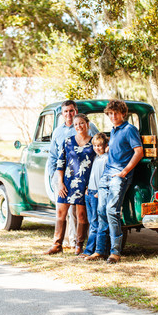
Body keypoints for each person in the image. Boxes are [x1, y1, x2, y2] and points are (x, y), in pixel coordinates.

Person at [85, 100, 144, 264]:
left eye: (115, 113)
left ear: (123, 113)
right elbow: (116, 149)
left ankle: (115, 252)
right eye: (110, 113)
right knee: (101, 211)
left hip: (119, 176)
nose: (112, 116)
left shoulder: (129, 129)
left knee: (112, 211)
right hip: (106, 175)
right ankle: (99, 251)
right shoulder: (114, 130)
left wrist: (124, 172)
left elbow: (138, 152)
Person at [46, 100, 98, 253]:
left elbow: (99, 159)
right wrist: (59, 182)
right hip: (67, 182)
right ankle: (57, 245)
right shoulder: (67, 141)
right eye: (76, 124)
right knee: (61, 212)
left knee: (81, 215)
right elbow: (59, 161)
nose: (78, 126)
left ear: (87, 124)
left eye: (81, 123)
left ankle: (79, 246)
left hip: (85, 183)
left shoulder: (93, 142)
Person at [79, 133, 108, 258]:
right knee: (92, 223)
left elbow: (105, 177)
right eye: (95, 146)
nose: (97, 148)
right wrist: (87, 189)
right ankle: (91, 250)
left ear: (105, 146)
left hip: (97, 193)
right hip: (89, 192)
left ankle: (91, 251)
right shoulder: (96, 158)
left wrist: (99, 192)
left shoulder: (106, 159)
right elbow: (93, 175)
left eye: (100, 146)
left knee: (96, 224)